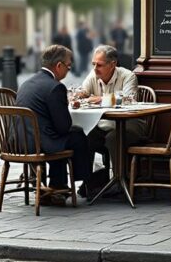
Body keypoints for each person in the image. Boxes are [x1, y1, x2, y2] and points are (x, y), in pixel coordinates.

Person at [15, 44, 94, 204]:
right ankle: (85, 183)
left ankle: (56, 187)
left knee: (59, 137)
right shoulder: (55, 87)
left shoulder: (27, 83)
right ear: (59, 66)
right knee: (77, 135)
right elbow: (63, 126)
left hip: (18, 142)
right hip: (39, 144)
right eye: (69, 66)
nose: (68, 70)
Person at [76, 45, 143, 175]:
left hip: (129, 125)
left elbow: (128, 100)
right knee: (83, 136)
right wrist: (78, 95)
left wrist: (100, 99)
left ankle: (120, 180)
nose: (95, 69)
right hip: (104, 125)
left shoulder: (128, 76)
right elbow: (83, 91)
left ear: (112, 64)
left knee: (113, 138)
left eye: (99, 65)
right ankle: (89, 183)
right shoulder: (93, 74)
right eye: (93, 64)